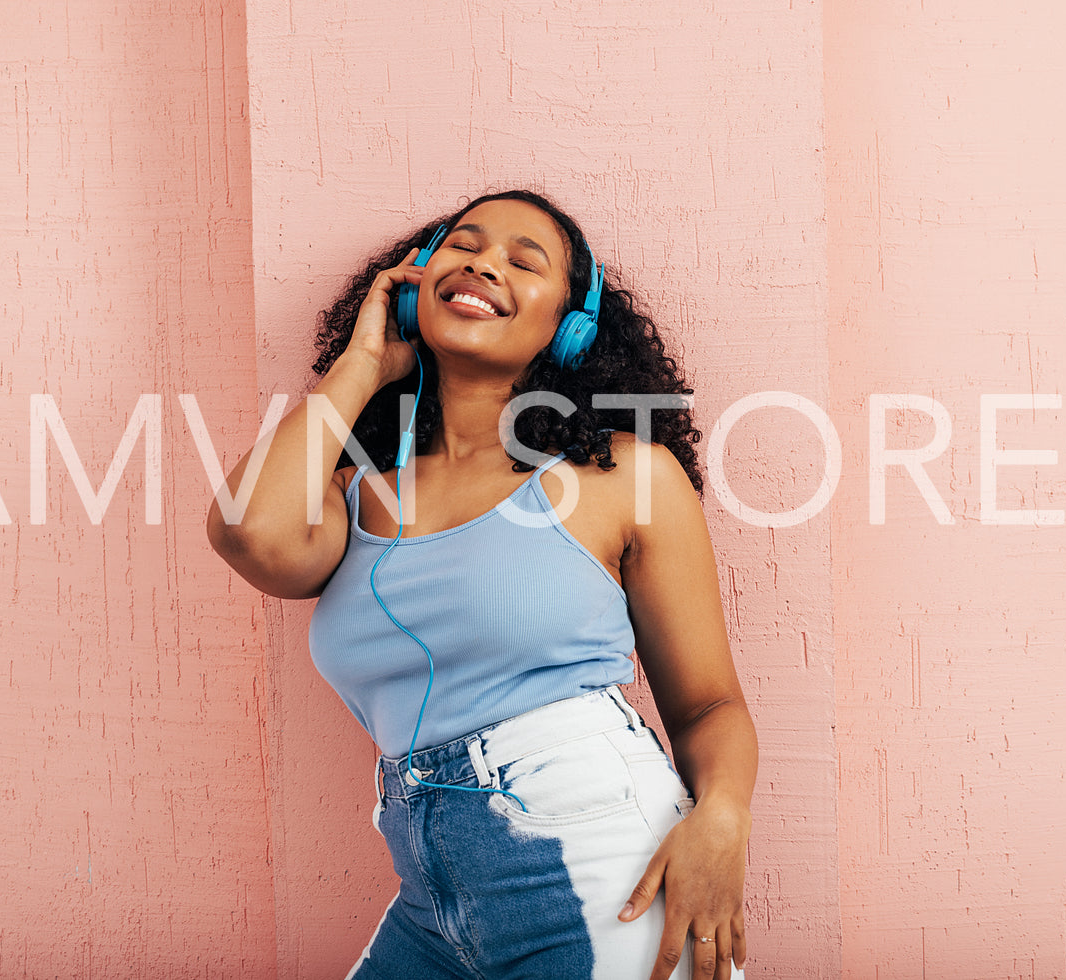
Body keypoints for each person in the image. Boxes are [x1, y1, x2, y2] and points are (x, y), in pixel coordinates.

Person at [206, 189, 758, 980]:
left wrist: (723, 820)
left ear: (569, 327)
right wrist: (363, 363)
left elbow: (709, 704)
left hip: (598, 855)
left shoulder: (623, 476)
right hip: (430, 886)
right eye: (461, 246)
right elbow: (243, 531)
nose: (481, 262)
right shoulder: (349, 489)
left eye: (521, 260)